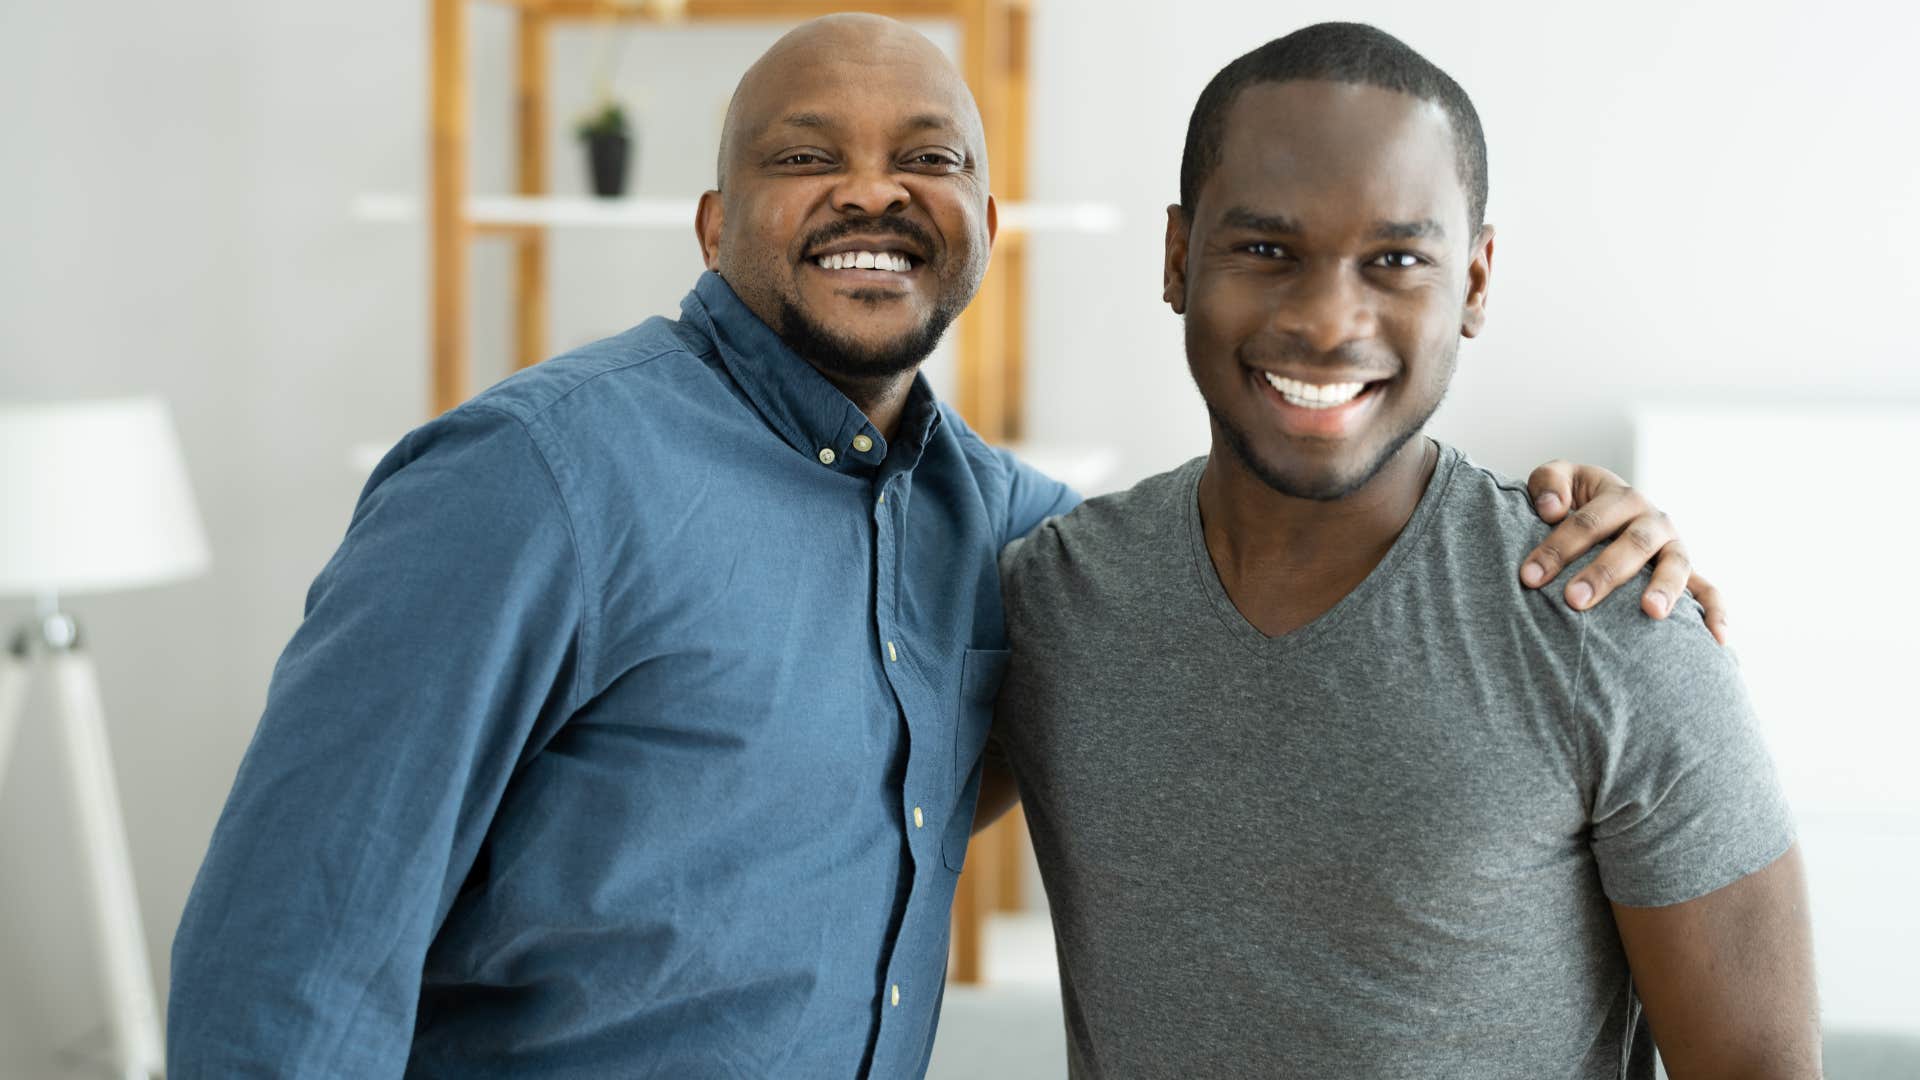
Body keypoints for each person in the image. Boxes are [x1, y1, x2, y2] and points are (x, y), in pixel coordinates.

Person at [168, 14, 1730, 1078]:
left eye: (929, 154)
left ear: (987, 219)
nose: (872, 188)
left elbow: (1237, 561)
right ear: (714, 225)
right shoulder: (533, 478)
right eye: (803, 156)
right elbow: (288, 958)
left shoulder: (1009, 534)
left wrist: (1592, 533)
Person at [991, 22, 1817, 1079]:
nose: (1330, 321)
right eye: (1265, 250)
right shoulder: (1057, 599)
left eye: (1395, 261)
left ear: (1473, 284)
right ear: (1175, 258)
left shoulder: (1615, 630)